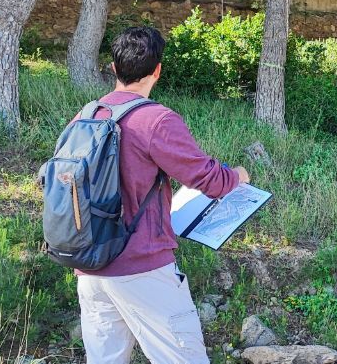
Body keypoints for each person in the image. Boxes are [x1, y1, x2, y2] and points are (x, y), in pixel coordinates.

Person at [75, 26, 250, 364]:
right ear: (157, 70)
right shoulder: (156, 120)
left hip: (90, 267)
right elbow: (209, 179)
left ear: (113, 69)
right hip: (142, 267)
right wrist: (238, 176)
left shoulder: (85, 116)